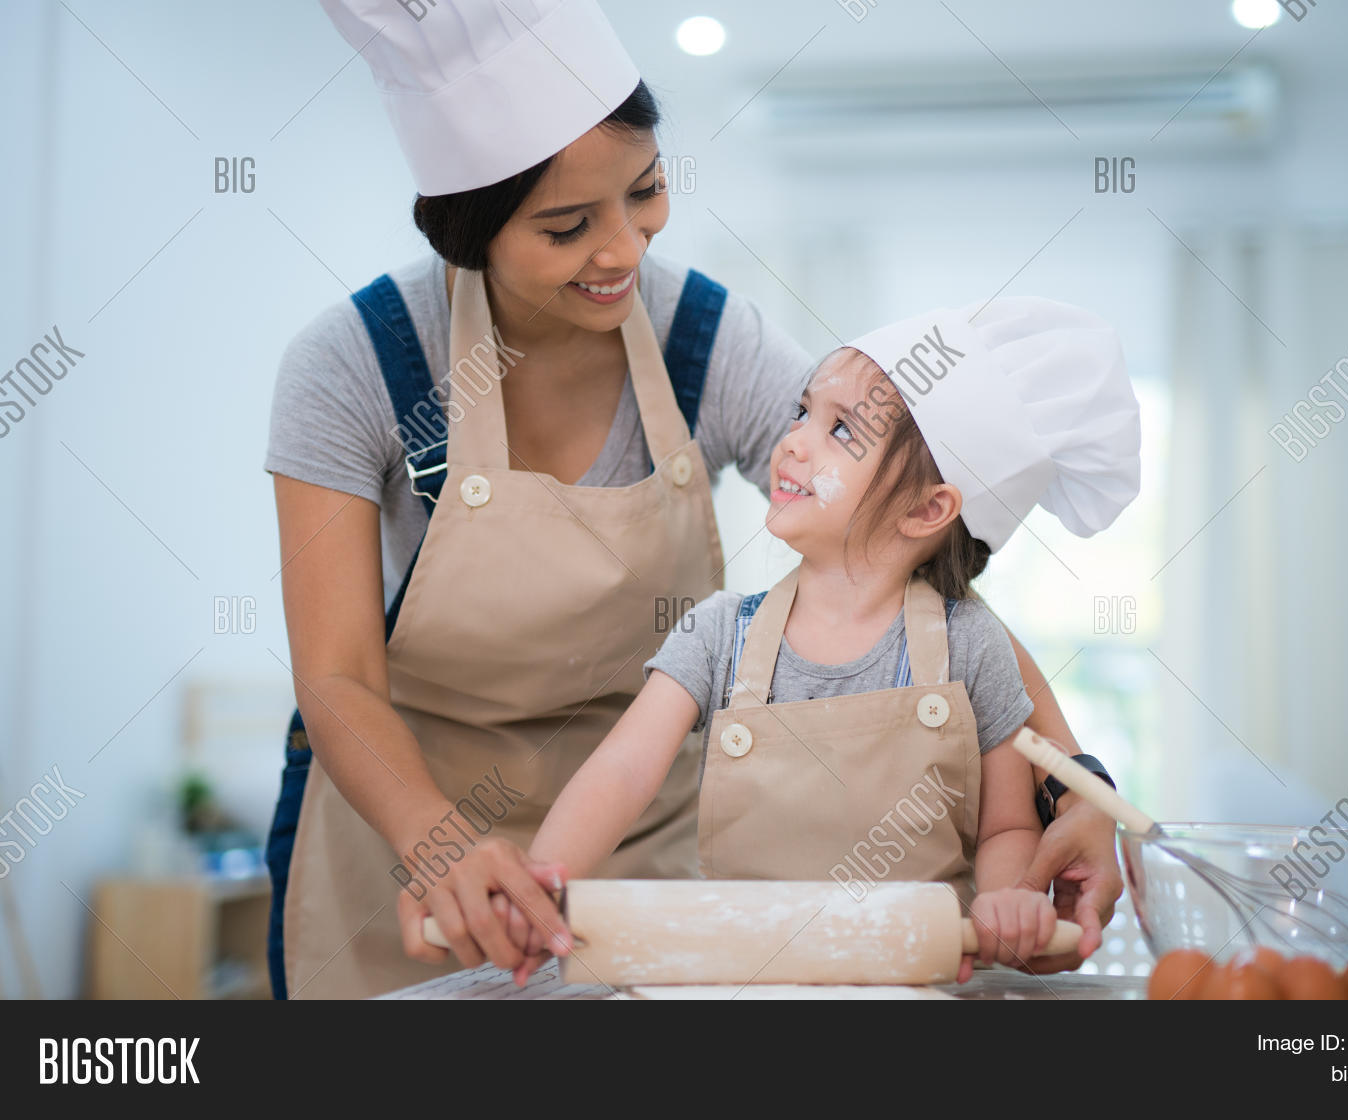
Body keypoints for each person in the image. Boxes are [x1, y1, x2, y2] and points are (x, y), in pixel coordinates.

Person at [267, 0, 1125, 999]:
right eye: (566, 226)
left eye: (646, 193)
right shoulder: (358, 365)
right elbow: (335, 679)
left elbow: (900, 542)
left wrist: (1084, 781)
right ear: (473, 233)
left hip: (644, 856)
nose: (625, 250)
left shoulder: (703, 343)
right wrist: (438, 841)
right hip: (401, 838)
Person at [411, 296, 1140, 986]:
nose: (793, 441)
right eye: (802, 412)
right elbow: (621, 775)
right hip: (738, 982)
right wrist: (540, 883)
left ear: (929, 508)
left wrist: (1009, 896)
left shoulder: (971, 645)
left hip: (919, 983)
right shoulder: (718, 632)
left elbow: (1010, 821)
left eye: (840, 429)